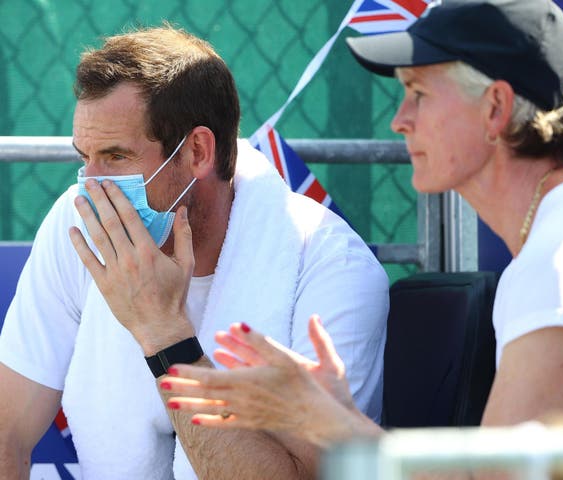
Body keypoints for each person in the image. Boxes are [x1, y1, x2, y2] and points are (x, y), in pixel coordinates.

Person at [159, 0, 563, 450]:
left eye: (419, 94)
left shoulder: (557, 260)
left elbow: (498, 477)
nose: (399, 120)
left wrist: (323, 418)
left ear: (495, 108)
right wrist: (334, 412)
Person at [0, 25, 389, 479]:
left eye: (116, 156)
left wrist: (164, 334)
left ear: (198, 152)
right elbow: (7, 434)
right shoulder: (79, 224)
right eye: (84, 158)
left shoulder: (333, 267)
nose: (92, 186)